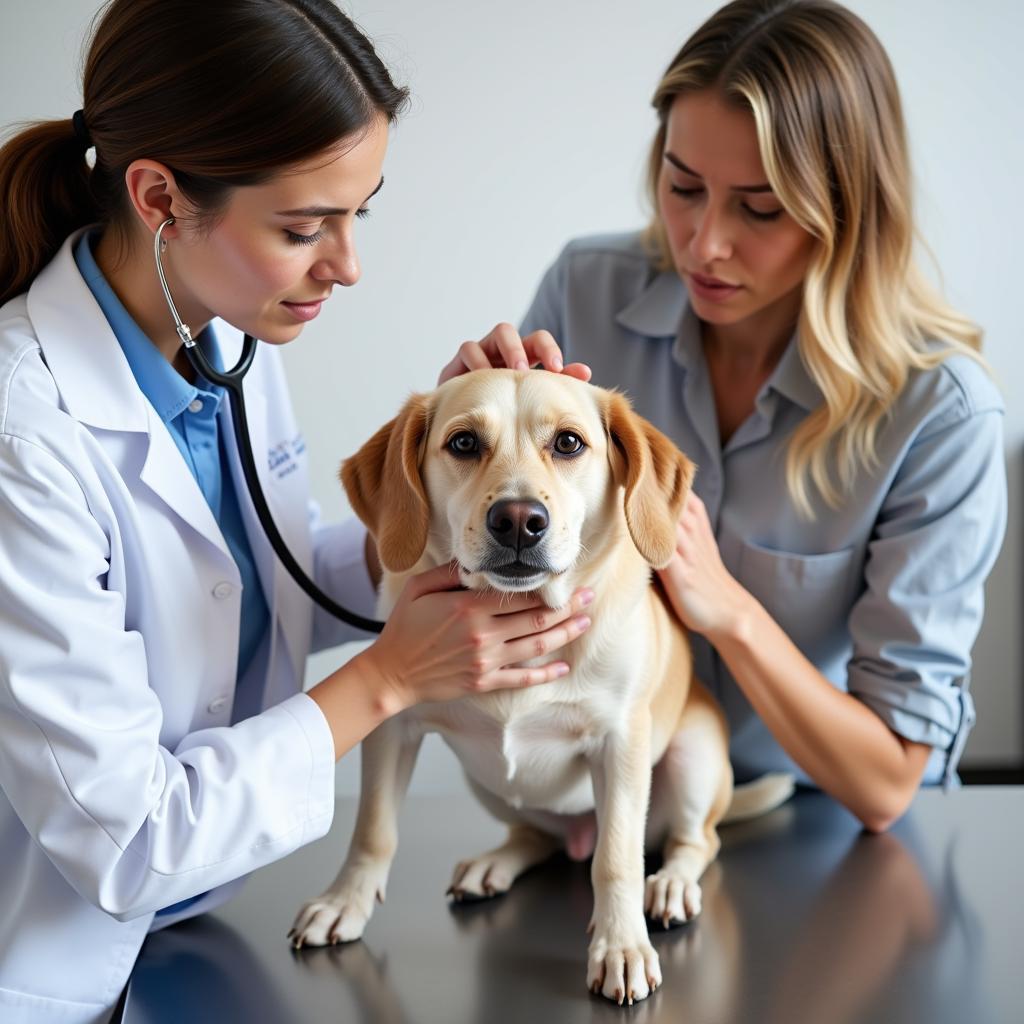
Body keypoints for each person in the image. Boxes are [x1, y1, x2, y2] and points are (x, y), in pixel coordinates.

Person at [0, 2, 594, 1020]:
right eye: (302, 227)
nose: (347, 264)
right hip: (49, 958)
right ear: (160, 199)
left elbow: (259, 580)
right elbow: (127, 838)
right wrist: (390, 679)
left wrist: (444, 475)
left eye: (359, 212)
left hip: (193, 926)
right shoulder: (22, 434)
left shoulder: (228, 341)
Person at [508, 0, 1007, 831]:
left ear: (849, 209)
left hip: (823, 826)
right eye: (682, 187)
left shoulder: (941, 414)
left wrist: (728, 607)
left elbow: (887, 784)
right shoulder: (584, 292)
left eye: (761, 208)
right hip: (604, 801)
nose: (704, 243)